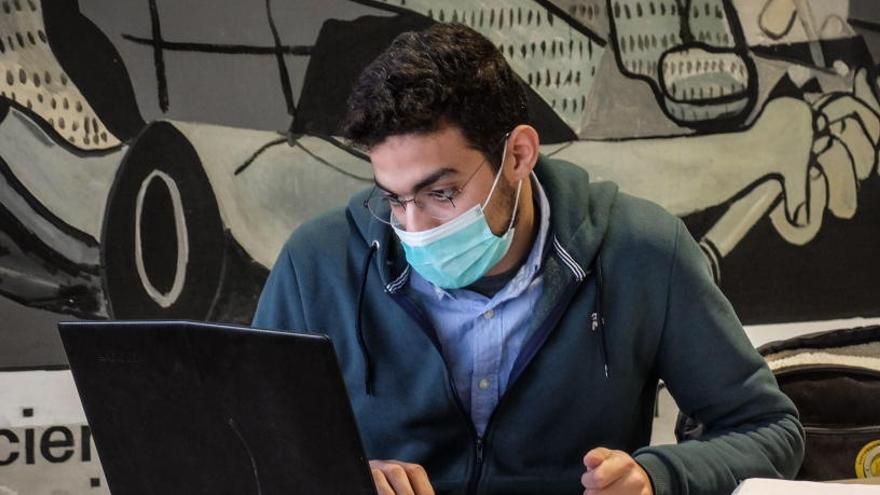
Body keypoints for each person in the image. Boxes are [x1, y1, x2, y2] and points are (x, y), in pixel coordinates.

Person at [253, 22, 805, 495]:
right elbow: (249, 446)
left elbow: (769, 430)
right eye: (394, 199)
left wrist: (657, 476)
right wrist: (342, 478)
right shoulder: (316, 264)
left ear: (518, 154)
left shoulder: (644, 251)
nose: (414, 227)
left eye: (441, 194)